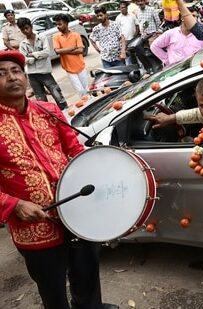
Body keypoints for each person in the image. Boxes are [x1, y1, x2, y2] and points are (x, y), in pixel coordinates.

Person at [0, 50, 118, 309]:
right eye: (2, 73)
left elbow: (74, 150)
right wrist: (14, 204)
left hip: (76, 211)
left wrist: (97, 174)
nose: (11, 77)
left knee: (87, 271)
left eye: (16, 71)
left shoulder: (49, 110)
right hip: (34, 226)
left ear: (26, 78)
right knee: (51, 285)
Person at [18, 17, 68, 110]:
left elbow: (47, 53)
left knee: (56, 92)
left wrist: (32, 55)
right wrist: (35, 58)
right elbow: (24, 59)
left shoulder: (41, 37)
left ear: (31, 26)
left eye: (26, 28)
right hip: (32, 74)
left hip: (45, 71)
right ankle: (47, 114)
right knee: (40, 97)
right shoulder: (23, 44)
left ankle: (65, 110)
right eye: (22, 30)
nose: (25, 31)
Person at [52, 14, 89, 98]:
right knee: (80, 91)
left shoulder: (76, 35)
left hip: (81, 66)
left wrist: (64, 51)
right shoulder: (56, 37)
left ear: (66, 23)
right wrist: (72, 48)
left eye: (60, 24)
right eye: (56, 24)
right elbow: (57, 51)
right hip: (69, 69)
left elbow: (80, 50)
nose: (58, 26)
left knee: (86, 90)